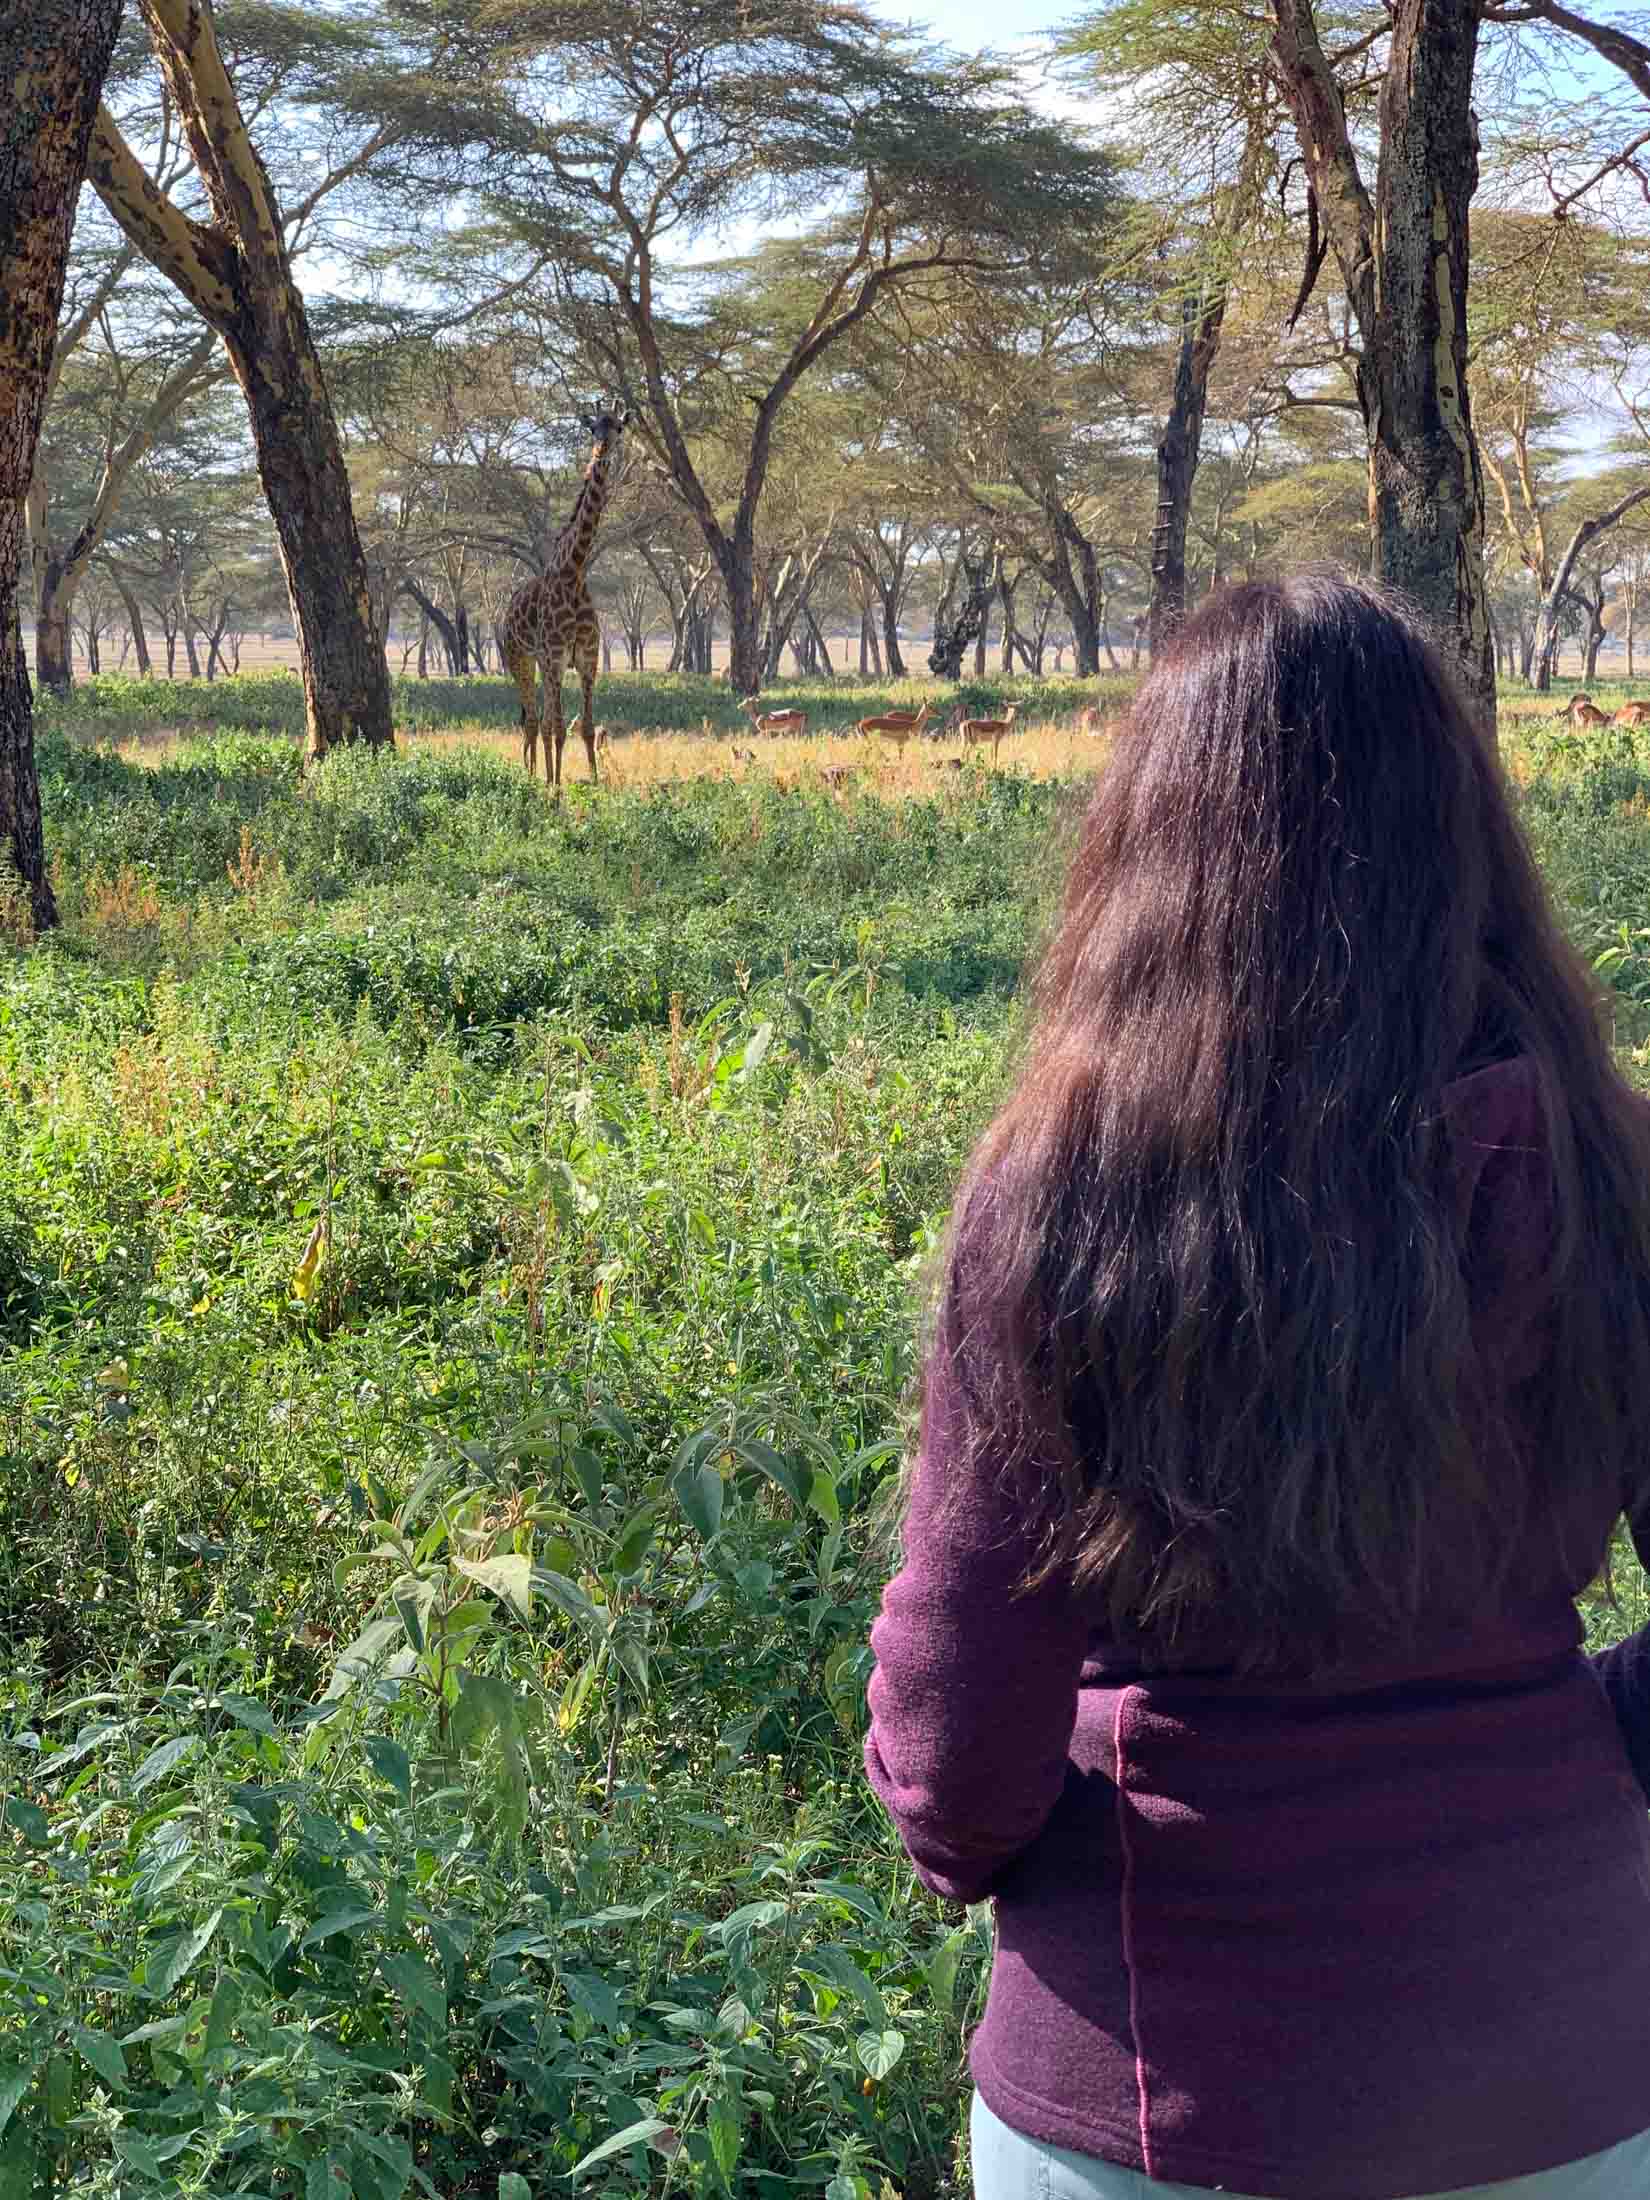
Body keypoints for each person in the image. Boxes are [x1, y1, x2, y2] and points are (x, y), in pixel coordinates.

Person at [864, 575, 1650, 2200]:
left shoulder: (1063, 1196)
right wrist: (1585, 1738)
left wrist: (986, 1850)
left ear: (1152, 843)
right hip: (1571, 2064)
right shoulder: (1607, 1169)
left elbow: (959, 1702)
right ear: (1465, 830)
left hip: (1158, 2076)